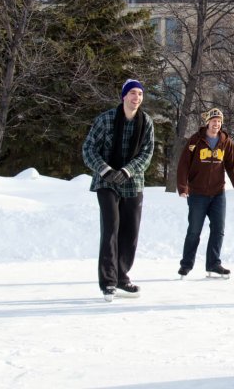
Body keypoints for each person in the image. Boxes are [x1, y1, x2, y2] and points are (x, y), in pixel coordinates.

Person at [82, 79, 156, 302]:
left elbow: (146, 154)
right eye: (132, 93)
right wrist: (105, 170)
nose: (137, 98)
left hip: (133, 182)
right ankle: (108, 282)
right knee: (111, 229)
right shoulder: (105, 120)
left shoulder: (146, 123)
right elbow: (88, 149)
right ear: (124, 96)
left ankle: (122, 276)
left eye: (140, 94)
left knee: (130, 232)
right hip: (106, 182)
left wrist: (126, 171)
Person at [177, 107, 234, 279]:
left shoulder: (226, 142)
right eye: (214, 121)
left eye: (219, 121)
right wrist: (183, 187)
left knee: (218, 229)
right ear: (208, 122)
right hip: (197, 193)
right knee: (194, 230)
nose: (216, 124)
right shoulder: (195, 140)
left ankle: (213, 264)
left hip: (217, 194)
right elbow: (184, 164)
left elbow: (233, 167)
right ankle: (186, 265)